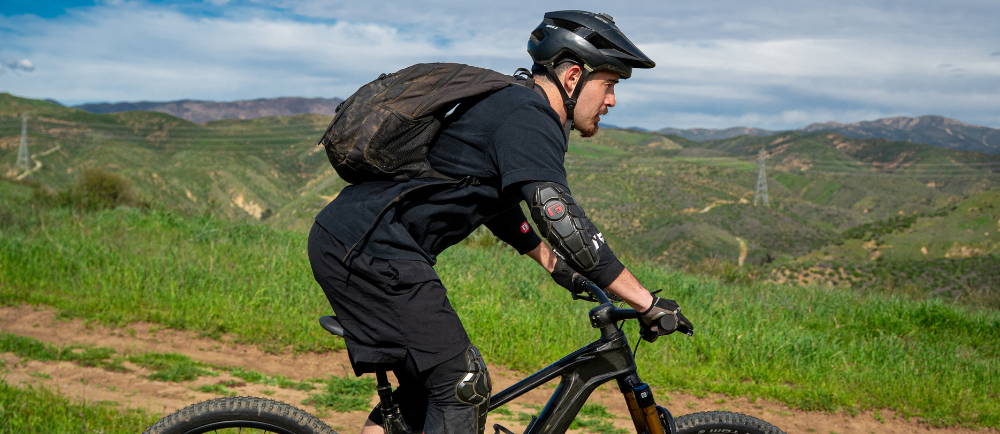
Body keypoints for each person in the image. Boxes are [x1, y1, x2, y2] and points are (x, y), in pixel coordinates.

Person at [307, 10, 693, 434]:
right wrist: (645, 302)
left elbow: (499, 206)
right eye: (609, 85)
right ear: (572, 77)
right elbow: (558, 216)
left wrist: (558, 269)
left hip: (357, 242)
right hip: (373, 251)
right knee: (462, 384)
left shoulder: (516, 106)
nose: (612, 101)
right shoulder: (528, 114)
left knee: (428, 385)